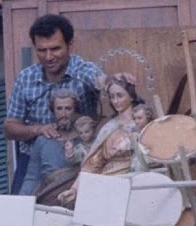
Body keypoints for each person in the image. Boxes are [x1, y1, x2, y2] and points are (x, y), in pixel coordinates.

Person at [3, 14, 104, 193]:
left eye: (55, 49)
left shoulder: (84, 71)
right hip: (34, 160)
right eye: (42, 50)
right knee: (18, 210)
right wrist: (38, 129)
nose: (48, 57)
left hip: (79, 157)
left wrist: (113, 81)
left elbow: (101, 81)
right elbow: (9, 128)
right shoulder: (26, 78)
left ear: (70, 44)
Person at [56, 75, 153, 206]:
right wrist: (74, 189)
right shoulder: (108, 127)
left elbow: (150, 152)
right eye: (112, 97)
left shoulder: (140, 124)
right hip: (106, 179)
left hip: (132, 180)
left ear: (131, 96)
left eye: (120, 96)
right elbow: (93, 162)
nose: (115, 101)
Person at [17, 88, 80, 195]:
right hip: (50, 196)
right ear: (53, 111)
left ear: (75, 110)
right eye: (59, 109)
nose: (63, 114)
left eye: (68, 108)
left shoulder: (84, 137)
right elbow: (32, 177)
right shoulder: (43, 141)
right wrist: (22, 200)